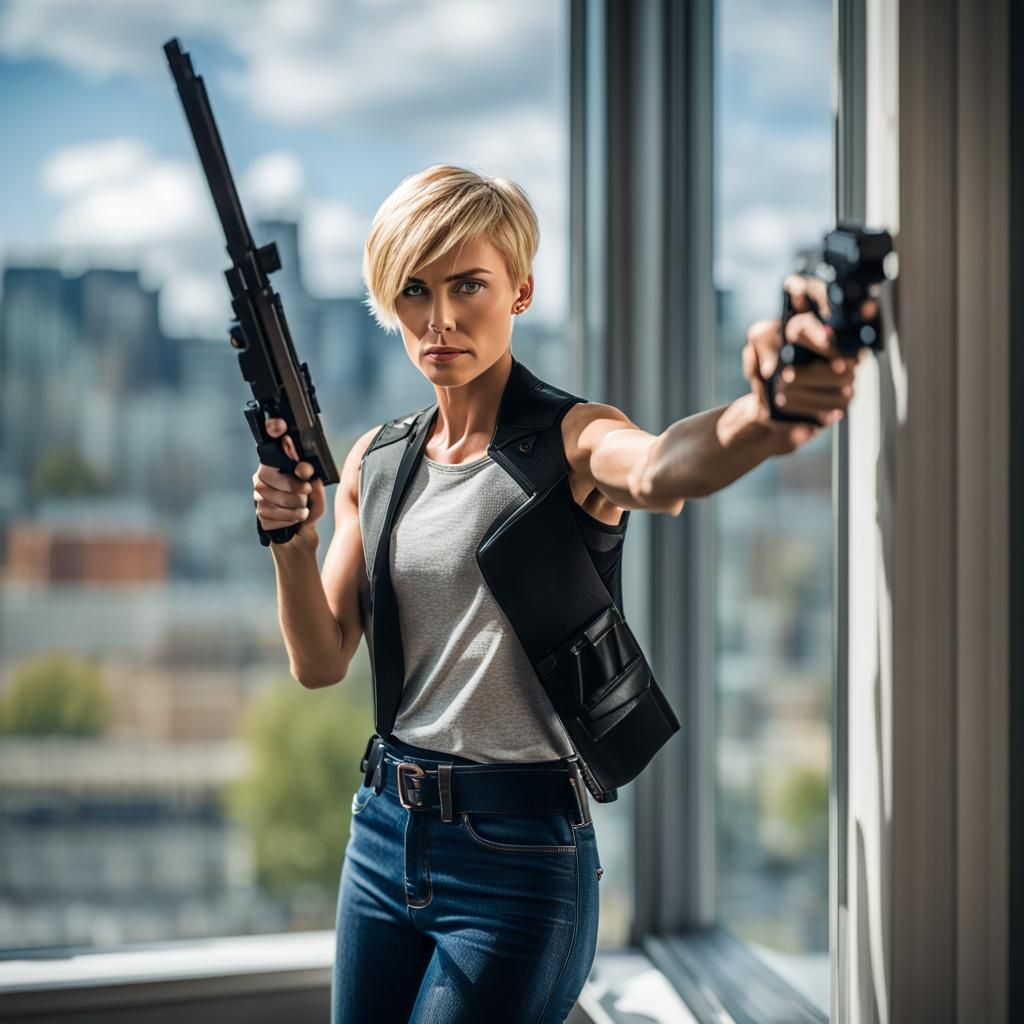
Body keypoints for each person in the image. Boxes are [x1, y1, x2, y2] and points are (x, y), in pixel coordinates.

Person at [251, 164, 872, 1023]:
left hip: (518, 857)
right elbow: (320, 662)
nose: (438, 319)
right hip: (382, 839)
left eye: (468, 285)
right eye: (413, 291)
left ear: (522, 290)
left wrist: (762, 418)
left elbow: (660, 467)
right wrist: (294, 540)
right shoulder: (376, 462)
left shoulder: (572, 438)